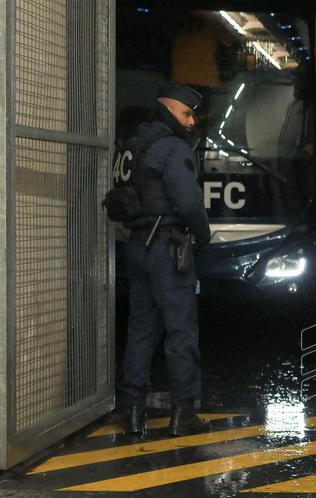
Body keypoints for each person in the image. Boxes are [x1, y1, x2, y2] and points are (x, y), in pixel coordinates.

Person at [115, 84, 212, 437]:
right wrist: (204, 235)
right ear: (169, 109)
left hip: (136, 246)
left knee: (141, 329)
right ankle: (182, 413)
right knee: (181, 330)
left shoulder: (132, 145)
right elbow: (188, 202)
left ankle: (134, 412)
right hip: (167, 248)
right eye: (186, 113)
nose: (192, 121)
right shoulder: (172, 147)